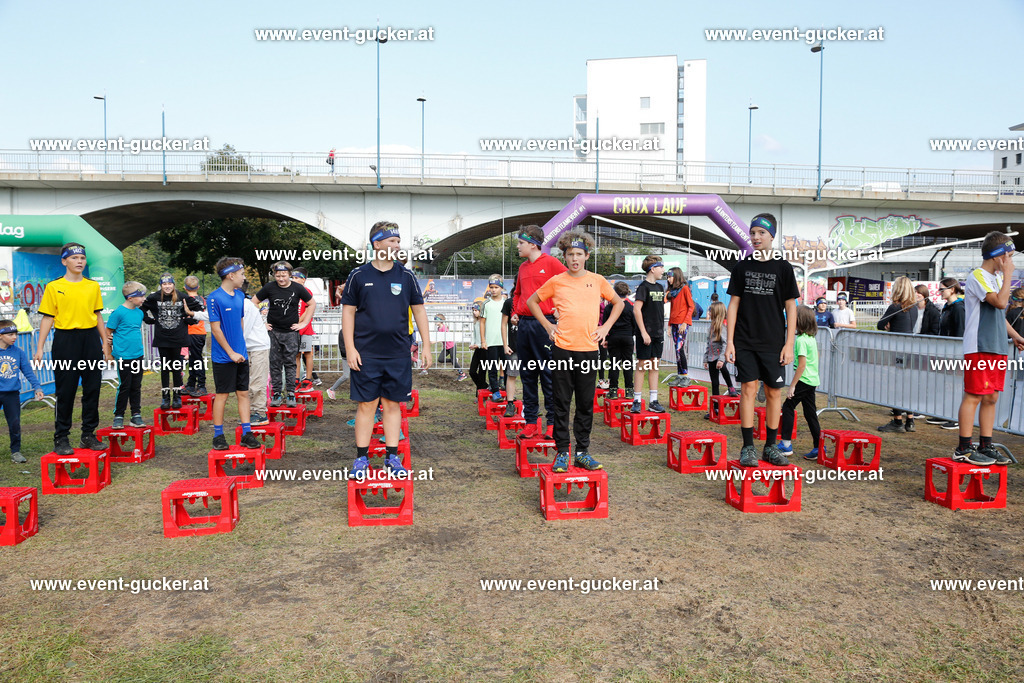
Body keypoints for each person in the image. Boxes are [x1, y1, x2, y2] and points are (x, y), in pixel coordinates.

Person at [527, 231, 622, 472]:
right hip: (562, 351)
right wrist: (548, 325)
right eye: (570, 255)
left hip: (589, 352)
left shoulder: (598, 280)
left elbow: (618, 303)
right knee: (561, 402)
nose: (575, 259)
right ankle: (561, 452)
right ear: (565, 257)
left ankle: (582, 451)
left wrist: (606, 327)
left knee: (585, 404)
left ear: (587, 255)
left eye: (579, 254)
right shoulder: (557, 281)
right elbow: (532, 302)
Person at [342, 221, 431, 478]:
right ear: (377, 244)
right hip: (366, 353)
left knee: (393, 406)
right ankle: (361, 459)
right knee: (366, 406)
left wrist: (426, 344)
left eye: (398, 241)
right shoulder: (358, 276)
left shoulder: (406, 276)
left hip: (397, 353)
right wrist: (350, 347)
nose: (397, 245)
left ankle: (392, 457)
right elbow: (347, 313)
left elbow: (419, 311)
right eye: (392, 241)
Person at [725, 213, 799, 467]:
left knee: (773, 392)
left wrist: (789, 344)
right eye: (752, 232)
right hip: (745, 340)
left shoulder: (783, 267)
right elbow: (733, 305)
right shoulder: (742, 266)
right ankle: (748, 448)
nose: (755, 237)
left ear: (771, 236)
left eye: (761, 233)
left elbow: (791, 308)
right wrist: (730, 342)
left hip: (773, 343)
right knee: (747, 389)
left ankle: (770, 446)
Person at [953, 233, 1024, 465]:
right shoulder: (978, 275)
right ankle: (963, 447)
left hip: (995, 346)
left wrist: (1015, 336)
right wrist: (1009, 275)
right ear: (999, 256)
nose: (1012, 261)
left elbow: (998, 315)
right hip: (979, 346)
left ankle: (986, 444)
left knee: (991, 397)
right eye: (1010, 256)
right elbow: (1001, 302)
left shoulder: (994, 278)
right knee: (974, 395)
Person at [35, 242, 110, 455]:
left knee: (92, 388)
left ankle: (88, 434)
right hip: (65, 340)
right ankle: (61, 437)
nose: (79, 262)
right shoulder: (54, 286)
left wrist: (104, 343)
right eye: (75, 258)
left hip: (89, 340)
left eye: (82, 258)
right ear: (64, 261)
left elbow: (97, 316)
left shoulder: (92, 286)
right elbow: (48, 317)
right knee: (66, 390)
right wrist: (40, 347)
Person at [513, 226, 567, 438]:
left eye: (520, 243)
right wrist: (516, 310)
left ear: (533, 244)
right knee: (527, 375)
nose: (518, 247)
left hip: (545, 325)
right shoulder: (522, 268)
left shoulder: (552, 263)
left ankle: (552, 423)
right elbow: (517, 293)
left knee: (548, 375)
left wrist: (559, 308)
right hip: (525, 326)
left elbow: (568, 284)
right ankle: (530, 422)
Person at [207, 257, 261, 451]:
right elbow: (216, 329)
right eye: (241, 274)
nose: (243, 277)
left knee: (243, 393)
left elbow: (240, 323)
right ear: (231, 275)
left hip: (241, 355)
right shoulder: (214, 297)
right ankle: (218, 435)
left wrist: (241, 348)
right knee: (222, 395)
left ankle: (247, 433)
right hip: (223, 357)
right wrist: (230, 352)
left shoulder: (239, 296)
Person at [254, 262, 313, 409]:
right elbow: (253, 302)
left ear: (290, 275)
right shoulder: (269, 287)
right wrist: (262, 323)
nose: (280, 278)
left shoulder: (297, 288)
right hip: (274, 332)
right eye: (278, 275)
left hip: (291, 332)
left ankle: (291, 393)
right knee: (275, 364)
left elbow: (312, 303)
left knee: (290, 363)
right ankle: (276, 393)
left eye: (284, 275)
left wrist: (304, 323)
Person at [777, 306, 822, 460]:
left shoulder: (801, 340)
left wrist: (792, 386)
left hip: (803, 380)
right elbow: (814, 357)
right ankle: (819, 447)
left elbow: (802, 365)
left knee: (788, 407)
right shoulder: (811, 339)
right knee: (810, 414)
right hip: (811, 381)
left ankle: (786, 444)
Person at [142, 274, 192, 410]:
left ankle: (177, 396)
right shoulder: (155, 297)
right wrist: (147, 319)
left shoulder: (182, 296)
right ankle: (165, 397)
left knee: (176, 367)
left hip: (177, 337)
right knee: (164, 368)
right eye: (164, 284)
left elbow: (197, 308)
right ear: (161, 285)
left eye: (169, 284)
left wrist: (189, 319)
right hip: (162, 337)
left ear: (173, 285)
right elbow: (142, 308)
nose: (167, 286)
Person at [876, 277, 918, 433]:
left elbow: (880, 324)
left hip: (897, 350)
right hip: (910, 349)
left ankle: (897, 421)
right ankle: (910, 419)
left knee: (896, 384)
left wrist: (889, 327)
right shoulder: (913, 307)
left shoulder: (895, 307)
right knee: (908, 384)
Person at [105, 282, 148, 430]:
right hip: (123, 355)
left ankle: (136, 414)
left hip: (138, 355)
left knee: (136, 385)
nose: (144, 299)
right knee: (125, 385)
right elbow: (108, 331)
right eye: (141, 296)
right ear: (130, 297)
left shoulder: (139, 313)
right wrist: (109, 353)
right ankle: (119, 415)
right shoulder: (118, 313)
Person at [0, 318, 43, 462]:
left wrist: (37, 387)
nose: (15, 337)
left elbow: (28, 371)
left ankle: (15, 452)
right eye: (10, 334)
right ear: (1, 335)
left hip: (11, 394)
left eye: (16, 334)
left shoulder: (18, 352)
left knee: (14, 423)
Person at [929, 277, 967, 430]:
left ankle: (956, 417)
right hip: (945, 351)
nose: (940, 292)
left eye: (942, 289)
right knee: (945, 383)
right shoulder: (947, 307)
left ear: (952, 289)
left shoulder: (958, 308)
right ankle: (944, 413)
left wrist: (956, 353)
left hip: (955, 352)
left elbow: (960, 331)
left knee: (955, 385)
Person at [632, 256, 667, 414]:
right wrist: (644, 332)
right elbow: (636, 309)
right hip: (645, 334)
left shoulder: (660, 287)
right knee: (642, 366)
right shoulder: (643, 287)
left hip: (658, 334)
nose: (663, 271)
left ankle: (654, 401)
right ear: (653, 269)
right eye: (661, 267)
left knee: (655, 366)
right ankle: (637, 400)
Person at [703, 300, 738, 415]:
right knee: (714, 382)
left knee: (723, 368)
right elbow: (708, 344)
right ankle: (715, 408)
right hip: (712, 358)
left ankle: (731, 387)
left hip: (720, 356)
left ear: (716, 312)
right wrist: (705, 359)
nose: (709, 313)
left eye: (710, 311)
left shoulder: (722, 327)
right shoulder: (711, 327)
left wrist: (721, 359)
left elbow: (725, 344)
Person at [602, 281, 634, 399]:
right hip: (627, 337)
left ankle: (613, 390)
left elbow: (605, 323)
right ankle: (629, 390)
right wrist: (631, 335)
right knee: (628, 364)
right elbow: (634, 323)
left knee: (614, 364)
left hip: (614, 337)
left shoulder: (609, 307)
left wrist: (605, 338)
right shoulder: (630, 306)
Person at [665, 267, 695, 388]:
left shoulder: (685, 289)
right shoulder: (673, 292)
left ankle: (685, 376)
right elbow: (672, 309)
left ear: (676, 276)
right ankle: (680, 375)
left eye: (670, 277)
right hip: (674, 323)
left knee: (679, 348)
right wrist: (669, 325)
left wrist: (685, 322)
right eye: (667, 277)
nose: (668, 279)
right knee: (677, 350)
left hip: (682, 323)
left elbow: (691, 306)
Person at [291, 268, 320, 388]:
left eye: (296, 278)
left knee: (307, 353)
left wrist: (298, 322)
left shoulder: (307, 292)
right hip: (294, 329)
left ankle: (308, 379)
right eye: (292, 277)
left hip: (305, 328)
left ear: (303, 280)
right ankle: (296, 379)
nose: (294, 280)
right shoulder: (291, 292)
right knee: (296, 354)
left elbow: (307, 310)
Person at [480, 275, 507, 402]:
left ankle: (508, 391)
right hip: (491, 342)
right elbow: (482, 323)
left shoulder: (506, 303)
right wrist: (483, 340)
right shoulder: (486, 304)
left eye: (496, 287)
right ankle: (495, 391)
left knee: (507, 368)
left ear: (501, 287)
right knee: (492, 368)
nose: (493, 290)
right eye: (491, 287)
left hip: (505, 342)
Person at [182, 276, 208, 397]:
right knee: (193, 359)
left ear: (184, 288)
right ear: (198, 287)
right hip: (199, 332)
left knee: (196, 359)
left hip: (193, 332)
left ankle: (201, 385)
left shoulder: (185, 300)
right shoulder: (202, 299)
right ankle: (191, 384)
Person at [500, 286, 520, 416]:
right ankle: (510, 404)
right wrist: (505, 345)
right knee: (511, 375)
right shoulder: (509, 302)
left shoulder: (535, 301)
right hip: (513, 347)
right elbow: (503, 324)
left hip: (530, 346)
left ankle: (532, 404)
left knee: (531, 377)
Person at [432, 314, 467, 381]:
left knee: (454, 362)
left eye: (436, 320)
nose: (435, 322)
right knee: (440, 359)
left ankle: (462, 374)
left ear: (441, 321)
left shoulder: (444, 328)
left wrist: (435, 341)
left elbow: (444, 338)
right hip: (446, 347)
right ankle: (453, 360)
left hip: (451, 346)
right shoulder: (439, 328)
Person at [467, 299, 488, 390]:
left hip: (485, 349)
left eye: (476, 310)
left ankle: (479, 394)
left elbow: (486, 336)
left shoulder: (486, 323)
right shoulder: (476, 323)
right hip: (477, 349)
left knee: (482, 372)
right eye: (473, 310)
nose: (474, 312)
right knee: (472, 371)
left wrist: (479, 344)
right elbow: (475, 336)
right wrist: (472, 344)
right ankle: (485, 386)